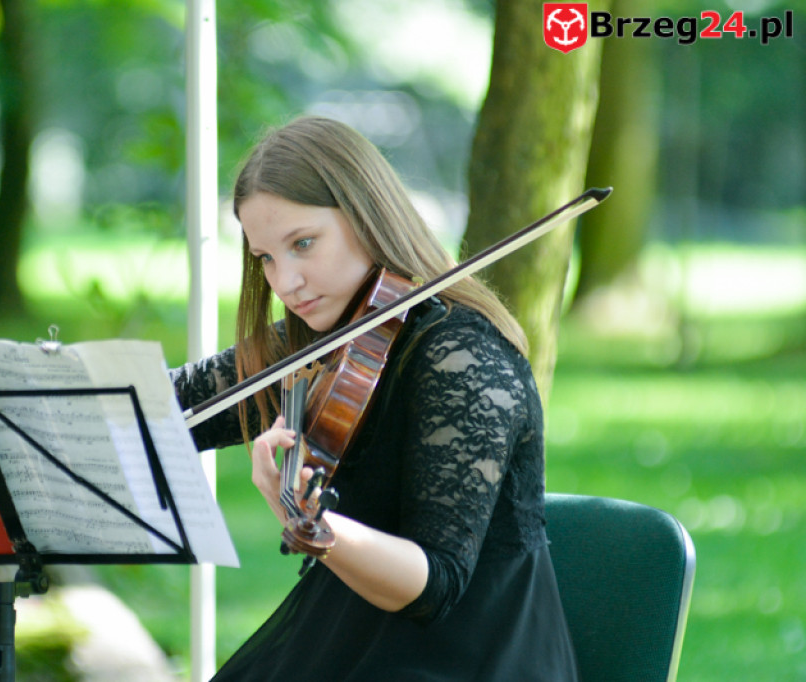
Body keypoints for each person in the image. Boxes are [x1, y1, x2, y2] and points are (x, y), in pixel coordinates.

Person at [170, 115, 579, 681]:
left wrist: (313, 522)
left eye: (303, 244)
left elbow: (434, 586)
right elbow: (169, 408)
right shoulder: (318, 342)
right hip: (357, 641)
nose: (285, 283)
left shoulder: (463, 356)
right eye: (265, 257)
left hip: (463, 658)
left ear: (366, 216)